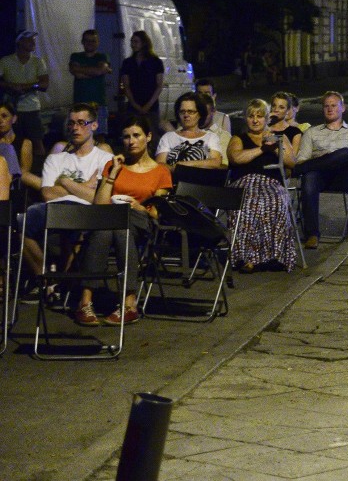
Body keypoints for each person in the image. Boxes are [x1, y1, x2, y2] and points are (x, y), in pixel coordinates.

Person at [77, 115, 172, 326]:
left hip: (142, 219)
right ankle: (118, 304)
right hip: (113, 220)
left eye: (136, 135)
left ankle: (102, 300)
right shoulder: (113, 165)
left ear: (148, 137)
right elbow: (100, 205)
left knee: (116, 226)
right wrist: (113, 175)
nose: (131, 141)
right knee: (110, 230)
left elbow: (157, 212)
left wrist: (140, 207)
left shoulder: (160, 171)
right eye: (127, 137)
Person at [21, 103, 113, 294]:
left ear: (94, 125)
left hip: (88, 212)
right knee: (21, 221)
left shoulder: (104, 158)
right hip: (55, 208)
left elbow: (97, 198)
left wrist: (64, 182)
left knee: (83, 229)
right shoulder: (56, 159)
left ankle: (66, 284)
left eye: (82, 123)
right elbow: (47, 194)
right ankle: (46, 278)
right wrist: (84, 187)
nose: (75, 128)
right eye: (71, 123)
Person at [227, 99, 298, 273]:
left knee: (275, 202)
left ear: (267, 118)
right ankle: (247, 258)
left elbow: (291, 162)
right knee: (248, 203)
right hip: (245, 181)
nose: (255, 120)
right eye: (251, 116)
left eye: (260, 116)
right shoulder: (238, 138)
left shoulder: (279, 137)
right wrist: (262, 149)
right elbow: (236, 158)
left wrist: (275, 146)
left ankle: (276, 256)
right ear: (246, 118)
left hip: (271, 182)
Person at [294, 91, 348, 249]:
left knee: (345, 154)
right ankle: (312, 234)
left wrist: (341, 161)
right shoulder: (312, 133)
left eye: (334, 105)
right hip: (319, 177)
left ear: (343, 108)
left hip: (343, 177)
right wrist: (324, 161)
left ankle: (300, 169)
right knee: (309, 177)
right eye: (326, 106)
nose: (329, 109)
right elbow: (302, 159)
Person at [0, 30, 49, 156]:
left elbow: (44, 84)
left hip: (31, 108)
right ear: (19, 41)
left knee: (37, 141)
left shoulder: (38, 61)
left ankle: (39, 170)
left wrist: (27, 87)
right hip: (11, 108)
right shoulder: (6, 61)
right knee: (10, 141)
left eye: (33, 39)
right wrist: (11, 86)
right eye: (28, 39)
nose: (33, 42)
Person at [155, 92, 223, 173]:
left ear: (200, 114)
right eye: (182, 112)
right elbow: (160, 164)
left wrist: (182, 165)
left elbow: (215, 162)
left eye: (190, 112)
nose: (186, 115)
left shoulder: (211, 137)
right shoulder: (168, 137)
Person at [119, 30, 165, 134]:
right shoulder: (127, 62)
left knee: (152, 133)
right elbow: (126, 86)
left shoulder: (155, 62)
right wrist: (135, 105)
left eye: (136, 42)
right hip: (133, 106)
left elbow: (159, 85)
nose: (133, 45)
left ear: (144, 43)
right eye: (132, 42)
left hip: (151, 106)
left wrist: (148, 105)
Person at [69, 29, 111, 134]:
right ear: (82, 42)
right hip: (79, 104)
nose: (90, 43)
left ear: (98, 42)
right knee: (79, 134)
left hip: (99, 104)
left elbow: (99, 70)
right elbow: (76, 71)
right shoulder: (75, 56)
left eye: (93, 41)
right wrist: (96, 71)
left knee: (100, 136)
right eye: (87, 40)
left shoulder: (102, 57)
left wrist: (82, 70)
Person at [0, 102, 40, 190]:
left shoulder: (24, 143)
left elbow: (24, 173)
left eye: (4, 116)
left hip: (16, 186)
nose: (0, 120)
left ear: (14, 119)